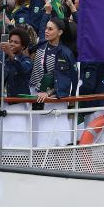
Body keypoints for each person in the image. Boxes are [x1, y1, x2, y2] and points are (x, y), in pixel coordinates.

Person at [30, 18, 78, 147]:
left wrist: (49, 92)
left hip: (55, 101)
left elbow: (71, 78)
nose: (46, 31)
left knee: (57, 142)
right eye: (46, 28)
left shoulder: (66, 53)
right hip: (36, 99)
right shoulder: (40, 46)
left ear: (60, 32)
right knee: (36, 142)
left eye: (50, 29)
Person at [0, 26, 34, 150]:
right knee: (3, 140)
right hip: (4, 104)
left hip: (18, 106)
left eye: (16, 42)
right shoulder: (4, 59)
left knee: (17, 139)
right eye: (10, 41)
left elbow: (23, 70)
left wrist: (11, 55)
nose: (12, 44)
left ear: (23, 46)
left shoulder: (27, 60)